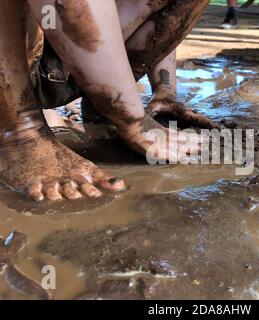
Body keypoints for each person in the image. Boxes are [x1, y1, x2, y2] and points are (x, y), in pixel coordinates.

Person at [0, 0, 212, 202]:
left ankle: (99, 105)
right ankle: (16, 130)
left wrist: (165, 90)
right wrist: (133, 121)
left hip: (58, 49)